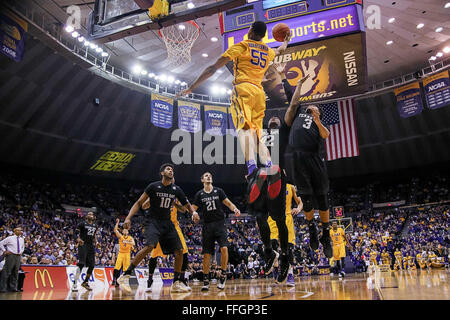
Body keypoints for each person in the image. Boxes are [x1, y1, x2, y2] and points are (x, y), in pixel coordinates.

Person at [177, 21, 290, 181]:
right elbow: (280, 50)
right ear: (264, 35)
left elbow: (212, 68)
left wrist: (191, 87)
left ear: (250, 30)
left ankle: (252, 168)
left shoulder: (243, 46)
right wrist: (286, 40)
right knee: (257, 135)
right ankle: (271, 166)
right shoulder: (267, 51)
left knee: (243, 129)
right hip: (259, 94)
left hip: (243, 89)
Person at [118, 164, 200, 293]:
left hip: (168, 223)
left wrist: (193, 213)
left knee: (179, 251)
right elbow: (140, 203)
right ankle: (125, 275)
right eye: (168, 169)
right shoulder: (153, 187)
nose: (171, 171)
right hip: (153, 222)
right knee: (150, 247)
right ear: (162, 173)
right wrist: (128, 218)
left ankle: (176, 282)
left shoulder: (175, 189)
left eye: (172, 170)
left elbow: (186, 204)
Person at [283, 75, 333, 259]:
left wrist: (318, 119)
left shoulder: (319, 122)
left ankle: (326, 234)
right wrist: (284, 77)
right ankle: (312, 228)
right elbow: (292, 95)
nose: (312, 107)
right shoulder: (299, 112)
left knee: (322, 197)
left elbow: (326, 135)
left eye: (316, 108)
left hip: (314, 158)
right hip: (297, 158)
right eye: (312, 107)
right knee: (307, 198)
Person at [191, 172, 241, 291]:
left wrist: (235, 208)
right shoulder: (200, 194)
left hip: (220, 223)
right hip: (207, 225)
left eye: (210, 175)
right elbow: (193, 208)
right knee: (207, 255)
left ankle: (223, 275)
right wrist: (194, 213)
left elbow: (228, 203)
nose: (209, 176)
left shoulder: (219, 191)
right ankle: (206, 280)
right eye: (206, 176)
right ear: (202, 180)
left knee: (224, 248)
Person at [143, 185, 190, 293]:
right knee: (154, 255)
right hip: (160, 225)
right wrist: (152, 198)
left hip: (174, 226)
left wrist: (174, 203)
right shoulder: (158, 192)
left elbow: (184, 209)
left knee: (184, 252)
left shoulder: (176, 194)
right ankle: (149, 280)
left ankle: (181, 280)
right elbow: (144, 206)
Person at [268, 183, 302, 286]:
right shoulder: (268, 185)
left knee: (288, 248)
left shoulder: (290, 186)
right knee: (273, 247)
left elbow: (300, 202)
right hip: (272, 218)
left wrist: (298, 209)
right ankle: (276, 272)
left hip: (287, 217)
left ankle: (290, 274)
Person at [72, 212, 98, 292]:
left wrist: (96, 242)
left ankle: (85, 282)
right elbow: (75, 234)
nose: (91, 215)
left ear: (94, 217)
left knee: (92, 265)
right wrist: (78, 239)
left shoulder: (95, 226)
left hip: (90, 246)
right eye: (89, 214)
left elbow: (94, 236)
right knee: (81, 264)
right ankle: (74, 283)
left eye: (92, 214)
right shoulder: (82, 224)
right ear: (86, 216)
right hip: (83, 245)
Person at [0, 227, 25, 293]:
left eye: (21, 230)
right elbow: (1, 243)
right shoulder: (10, 238)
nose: (21, 231)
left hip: (18, 256)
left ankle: (13, 288)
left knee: (15, 272)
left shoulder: (22, 239)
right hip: (11, 255)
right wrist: (5, 251)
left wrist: (21, 252)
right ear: (15, 231)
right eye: (19, 230)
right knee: (6, 272)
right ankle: (3, 288)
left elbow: (23, 247)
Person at [111, 219, 135, 287]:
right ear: (122, 231)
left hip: (127, 254)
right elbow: (115, 230)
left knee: (125, 269)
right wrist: (117, 223)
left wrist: (127, 242)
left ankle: (123, 281)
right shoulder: (120, 237)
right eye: (124, 230)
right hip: (121, 253)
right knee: (116, 267)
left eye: (126, 230)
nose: (125, 230)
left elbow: (133, 243)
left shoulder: (130, 238)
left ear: (128, 232)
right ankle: (114, 279)